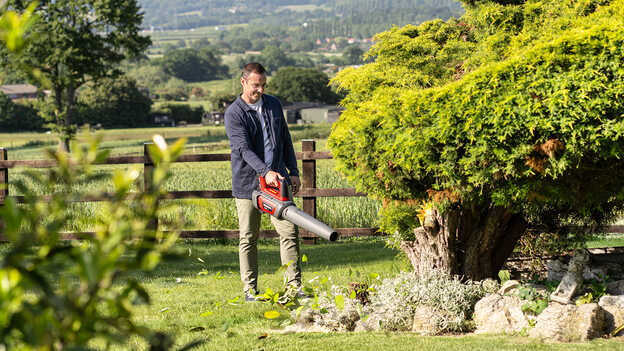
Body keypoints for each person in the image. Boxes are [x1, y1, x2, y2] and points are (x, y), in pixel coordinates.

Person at [224, 62, 302, 302]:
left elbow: (285, 139)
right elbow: (243, 149)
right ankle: (250, 290)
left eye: (263, 85)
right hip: (249, 184)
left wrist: (294, 169)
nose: (260, 90)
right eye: (256, 85)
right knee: (248, 237)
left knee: (289, 231)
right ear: (243, 82)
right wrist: (264, 171)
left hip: (277, 182)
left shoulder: (273, 105)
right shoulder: (234, 113)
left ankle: (294, 288)